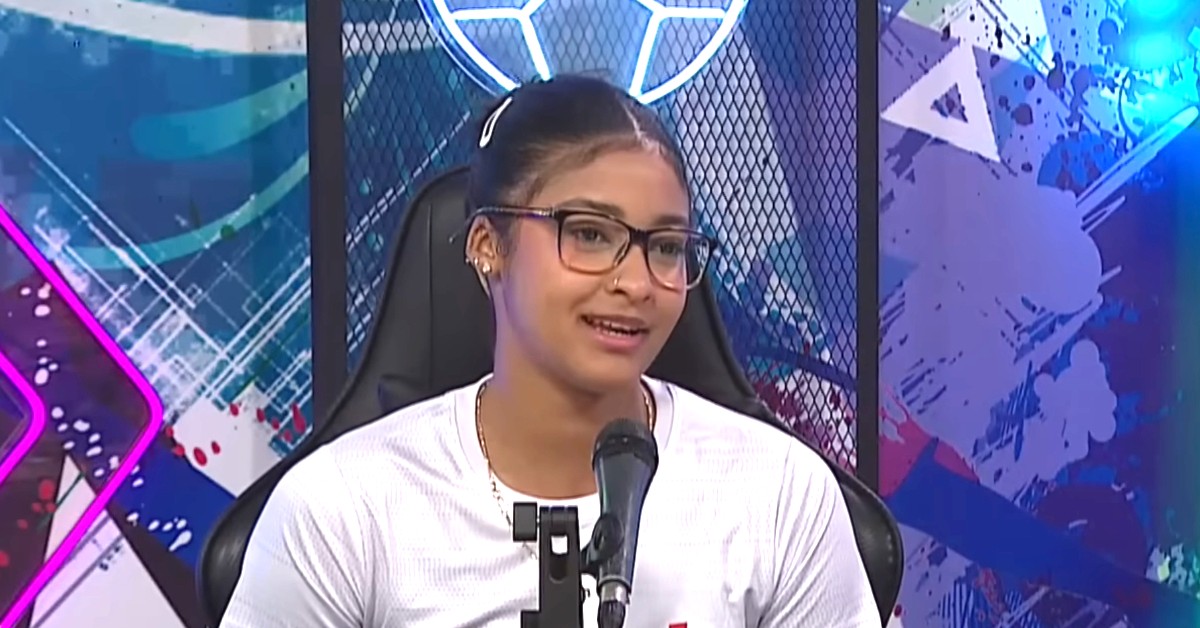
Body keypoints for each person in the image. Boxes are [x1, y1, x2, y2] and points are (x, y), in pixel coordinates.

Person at [219, 74, 879, 627]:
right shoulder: (343, 508)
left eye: (666, 246)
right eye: (589, 234)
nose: (636, 282)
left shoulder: (779, 493)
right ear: (487, 246)